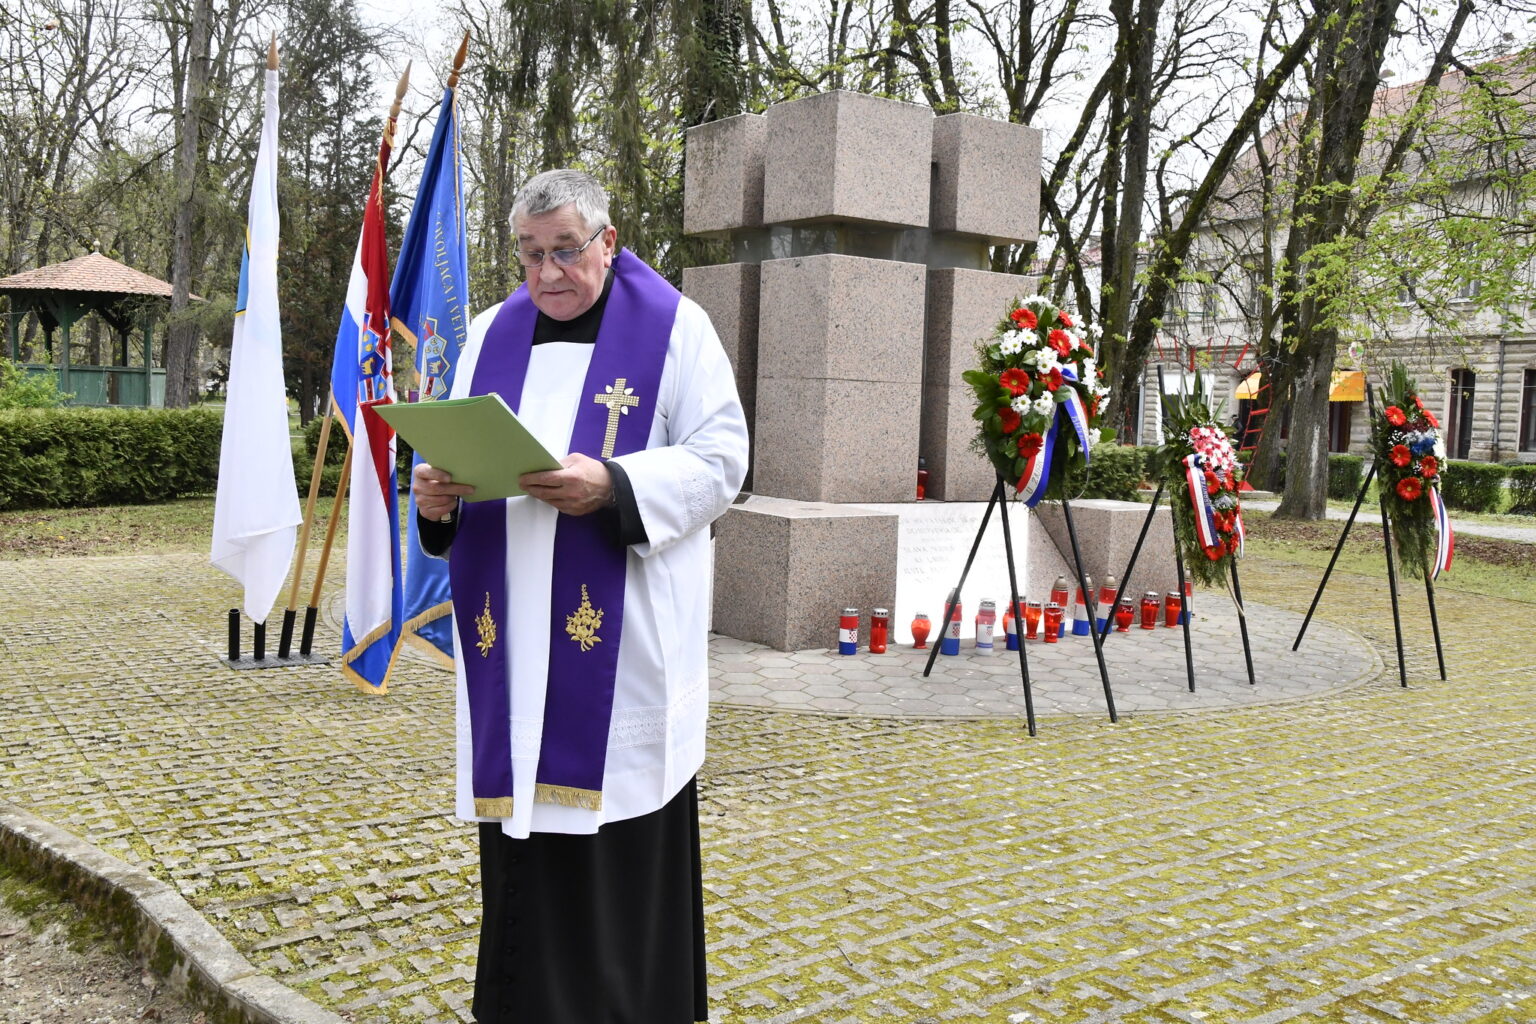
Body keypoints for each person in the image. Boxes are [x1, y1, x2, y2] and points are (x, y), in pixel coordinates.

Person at [412, 169, 748, 1024]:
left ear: (607, 241)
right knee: (522, 864)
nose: (548, 273)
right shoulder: (490, 335)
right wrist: (435, 503)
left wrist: (617, 485)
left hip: (619, 653)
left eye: (565, 250)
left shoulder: (675, 329)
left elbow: (722, 461)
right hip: (512, 651)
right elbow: (457, 458)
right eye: (530, 254)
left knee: (616, 871)